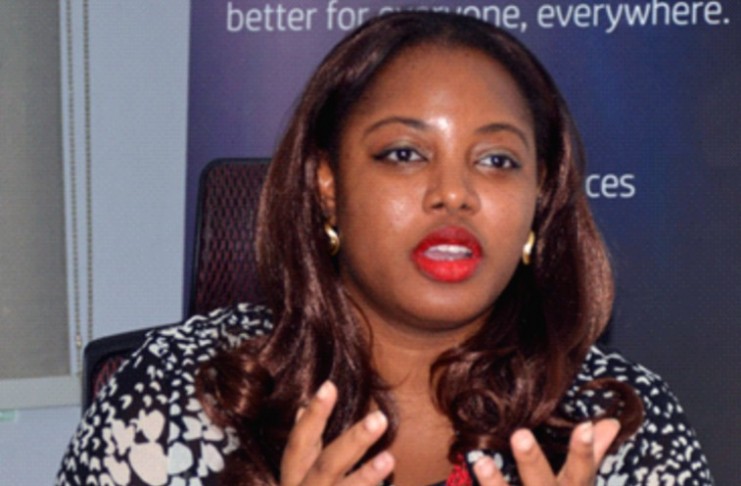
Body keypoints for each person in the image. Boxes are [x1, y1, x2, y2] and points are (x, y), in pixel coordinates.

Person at [57, 11, 713, 486]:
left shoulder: (621, 429)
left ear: (538, 199)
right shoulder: (177, 398)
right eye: (404, 154)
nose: (453, 194)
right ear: (328, 186)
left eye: (496, 160)